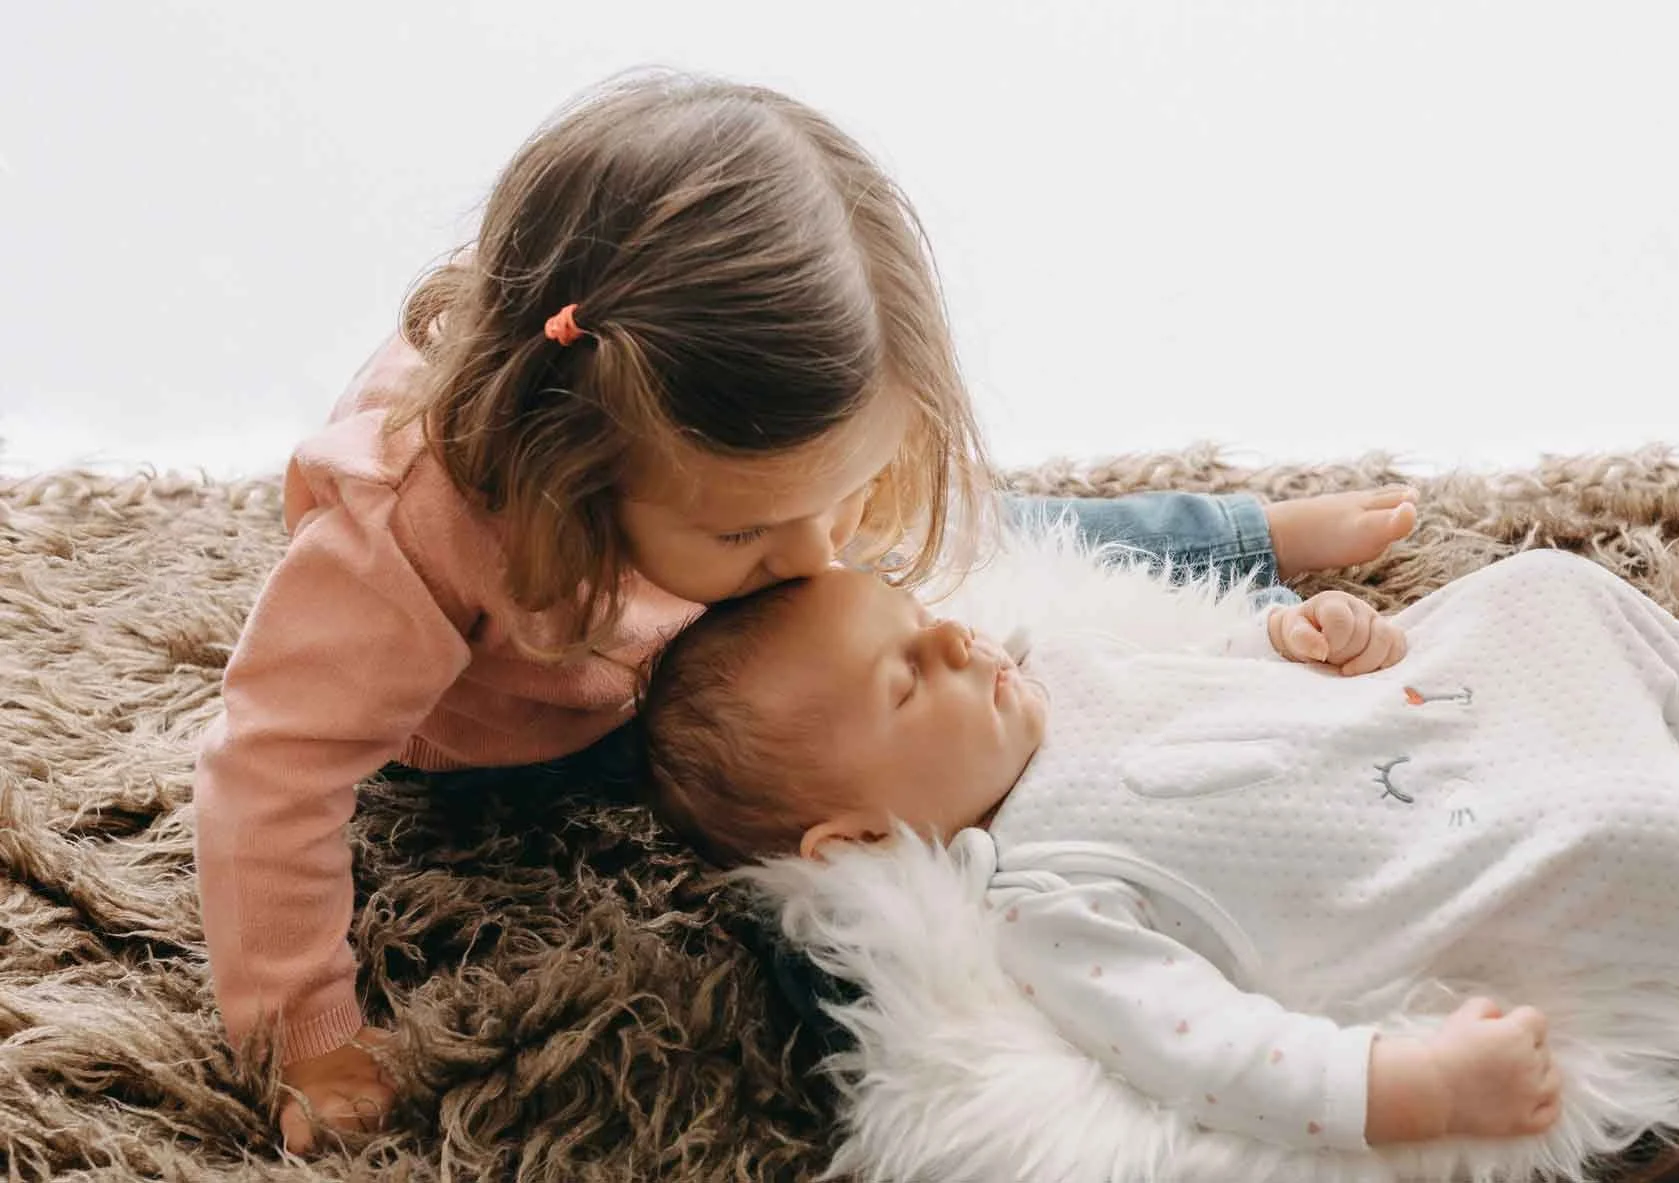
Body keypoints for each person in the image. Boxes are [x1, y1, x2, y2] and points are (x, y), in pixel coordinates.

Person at [192, 71, 1416, 1153]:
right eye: (743, 531)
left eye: (826, 500)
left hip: (696, 644)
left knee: (988, 547)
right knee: (820, 894)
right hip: (510, 731)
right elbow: (271, 772)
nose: (812, 555)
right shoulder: (396, 544)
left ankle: (1237, 532)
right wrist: (303, 1031)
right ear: (576, 470)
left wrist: (787, 549)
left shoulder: (776, 507)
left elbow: (845, 534)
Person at [638, 548, 1679, 1150]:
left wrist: (1296, 638)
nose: (953, 636)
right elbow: (1213, 1053)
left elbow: (1198, 678)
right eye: (907, 677)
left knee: (1546, 586)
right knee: (1640, 830)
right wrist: (1415, 1089)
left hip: (1425, 717)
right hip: (1454, 853)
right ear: (864, 835)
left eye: (917, 615)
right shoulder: (1041, 900)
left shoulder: (1053, 676)